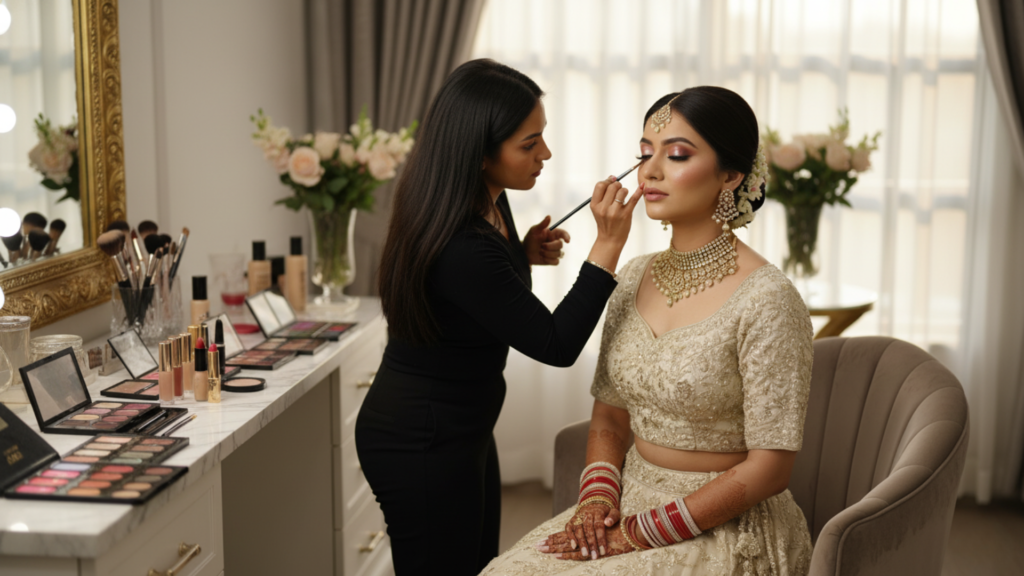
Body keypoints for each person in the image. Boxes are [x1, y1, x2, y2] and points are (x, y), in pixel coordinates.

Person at [480, 87, 814, 576]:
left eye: (676, 154)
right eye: (643, 154)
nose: (650, 171)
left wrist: (636, 535)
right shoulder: (634, 275)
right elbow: (611, 417)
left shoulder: (768, 299)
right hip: (627, 499)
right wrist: (596, 504)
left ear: (731, 174)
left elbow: (770, 468)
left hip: (722, 524)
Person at [355, 58, 643, 576]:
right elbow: (556, 344)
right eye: (528, 145)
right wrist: (607, 246)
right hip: (420, 438)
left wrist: (521, 253)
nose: (545, 154)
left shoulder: (484, 200)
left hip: (464, 426)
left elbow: (475, 289)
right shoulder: (462, 242)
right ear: (480, 153)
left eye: (542, 138)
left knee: (479, 564)